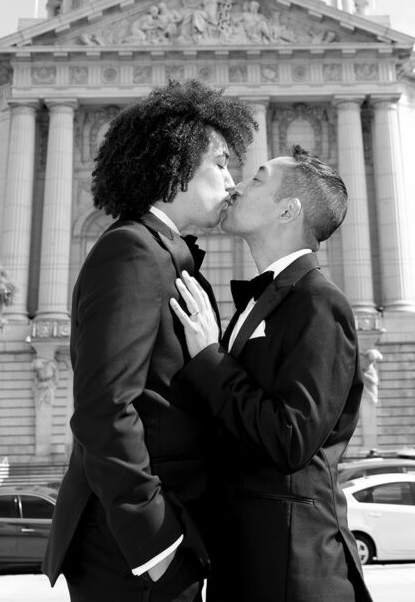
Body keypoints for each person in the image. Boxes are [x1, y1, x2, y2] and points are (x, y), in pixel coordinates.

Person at [42, 79, 256, 602]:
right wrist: (156, 547)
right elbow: (104, 408)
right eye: (220, 163)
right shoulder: (133, 251)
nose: (232, 181)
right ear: (176, 166)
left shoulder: (163, 252)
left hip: (161, 531)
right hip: (132, 548)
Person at [171, 146, 373, 602]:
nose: (237, 185)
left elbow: (290, 437)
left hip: (292, 569)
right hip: (244, 559)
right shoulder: (266, 299)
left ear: (288, 209)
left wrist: (208, 357)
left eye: (257, 179)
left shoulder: (321, 303)